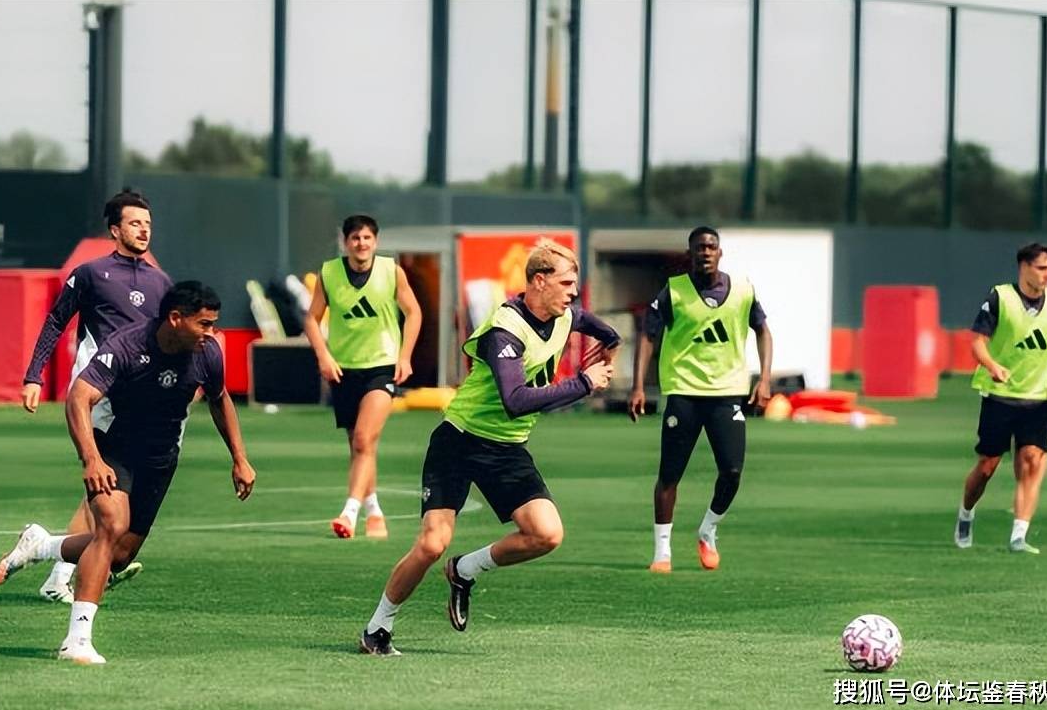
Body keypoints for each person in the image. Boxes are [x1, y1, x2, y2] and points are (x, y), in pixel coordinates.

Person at [359, 239, 619, 656]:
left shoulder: (565, 314)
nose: (574, 293)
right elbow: (515, 401)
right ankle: (377, 627)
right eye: (566, 283)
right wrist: (584, 382)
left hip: (507, 449)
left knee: (547, 534)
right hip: (459, 441)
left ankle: (465, 569)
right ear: (539, 281)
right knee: (432, 543)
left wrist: (610, 343)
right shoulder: (504, 331)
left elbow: (600, 328)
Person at [0, 282, 256, 664]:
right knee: (111, 527)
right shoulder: (127, 345)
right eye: (204, 324)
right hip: (114, 449)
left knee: (118, 555)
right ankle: (76, 641)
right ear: (176, 318)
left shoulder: (208, 353)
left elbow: (220, 399)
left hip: (161, 461)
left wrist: (239, 458)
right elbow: (79, 397)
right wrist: (91, 459)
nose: (210, 333)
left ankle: (42, 546)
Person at [20, 188, 172, 603]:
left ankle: (66, 565)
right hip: (97, 394)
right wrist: (34, 376)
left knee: (106, 484)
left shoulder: (161, 282)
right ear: (115, 230)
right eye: (135, 223)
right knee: (104, 479)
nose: (144, 230)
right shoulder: (90, 274)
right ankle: (77, 566)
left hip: (140, 401)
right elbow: (56, 321)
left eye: (148, 224)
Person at [629, 226, 772, 573]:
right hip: (684, 391)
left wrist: (765, 378)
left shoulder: (743, 289)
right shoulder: (673, 291)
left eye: (710, 247)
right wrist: (638, 386)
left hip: (727, 392)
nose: (705, 252)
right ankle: (662, 552)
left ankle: (708, 529)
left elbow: (763, 330)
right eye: (699, 248)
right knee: (669, 474)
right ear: (689, 254)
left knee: (732, 472)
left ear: (720, 253)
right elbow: (648, 336)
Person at [303, 215, 422, 540]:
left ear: (376, 241)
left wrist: (405, 356)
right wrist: (324, 356)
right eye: (355, 238)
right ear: (346, 242)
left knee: (363, 439)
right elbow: (312, 319)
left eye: (367, 237)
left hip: (382, 366)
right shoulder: (329, 273)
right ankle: (375, 512)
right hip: (344, 368)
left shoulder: (391, 271)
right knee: (360, 447)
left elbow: (414, 312)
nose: (361, 244)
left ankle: (349, 512)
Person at [955, 243, 1047, 554]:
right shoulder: (1000, 298)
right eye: (1041, 268)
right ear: (1024, 267)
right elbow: (977, 343)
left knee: (1031, 460)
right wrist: (992, 366)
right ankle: (966, 513)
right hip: (1000, 396)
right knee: (987, 466)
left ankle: (1018, 536)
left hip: (1040, 397)